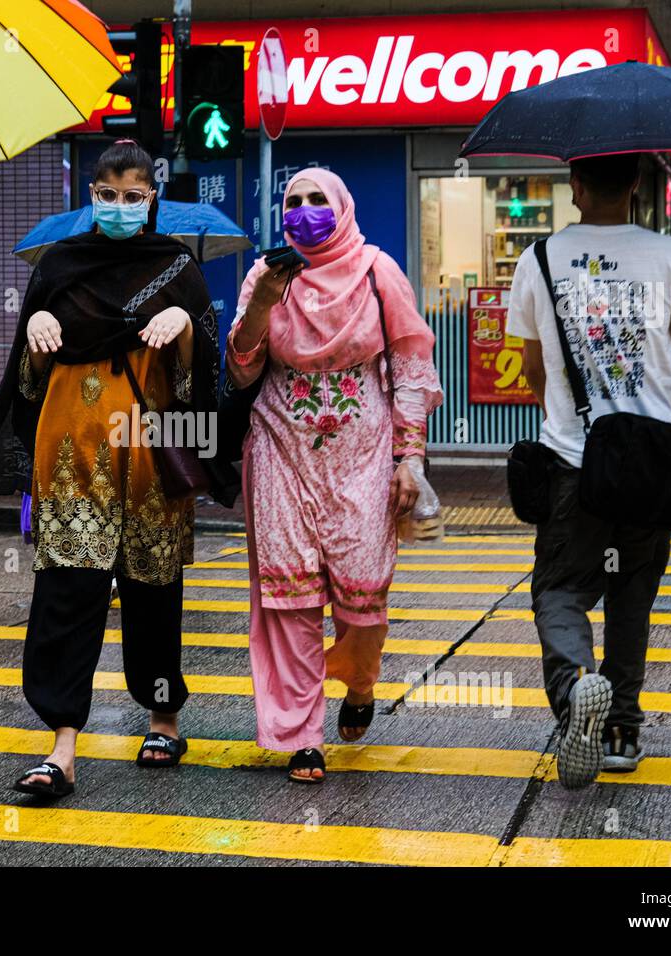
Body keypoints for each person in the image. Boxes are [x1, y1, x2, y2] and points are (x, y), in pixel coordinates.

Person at [0, 139, 233, 799]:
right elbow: (26, 383)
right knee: (65, 599)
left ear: (153, 199)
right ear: (91, 195)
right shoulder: (60, 265)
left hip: (149, 461)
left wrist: (182, 326)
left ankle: (164, 717)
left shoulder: (174, 268)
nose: (120, 206)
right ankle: (61, 749)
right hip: (71, 460)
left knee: (153, 594)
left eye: (133, 196)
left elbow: (200, 381)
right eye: (108, 194)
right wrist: (34, 329)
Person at [225, 168, 442, 783]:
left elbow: (410, 365)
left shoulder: (378, 272)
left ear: (343, 207)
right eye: (292, 201)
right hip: (280, 451)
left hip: (364, 456)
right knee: (289, 600)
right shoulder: (267, 276)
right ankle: (302, 737)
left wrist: (410, 457)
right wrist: (263, 302)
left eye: (318, 199)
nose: (304, 210)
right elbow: (242, 371)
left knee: (363, 597)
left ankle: (361, 681)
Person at [508, 153, 671, 788]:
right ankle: (620, 730)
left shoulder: (537, 259)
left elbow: (534, 370)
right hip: (649, 465)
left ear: (575, 187)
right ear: (634, 187)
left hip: (574, 462)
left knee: (560, 590)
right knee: (630, 597)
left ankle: (574, 690)